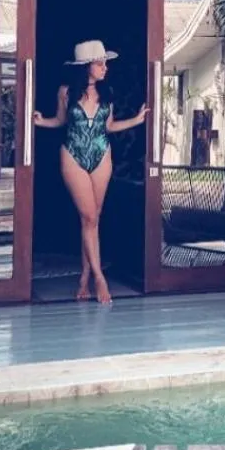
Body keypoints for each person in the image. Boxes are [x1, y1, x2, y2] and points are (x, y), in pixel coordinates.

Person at [32, 39, 147, 305]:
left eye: (105, 62)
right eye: (100, 63)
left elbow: (109, 127)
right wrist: (41, 121)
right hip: (72, 155)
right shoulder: (65, 92)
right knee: (88, 217)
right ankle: (99, 278)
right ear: (86, 67)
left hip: (102, 155)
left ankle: (83, 276)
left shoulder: (108, 94)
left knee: (93, 219)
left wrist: (137, 120)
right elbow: (61, 121)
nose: (105, 67)